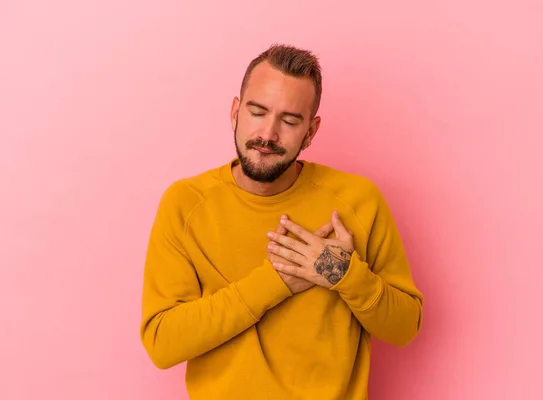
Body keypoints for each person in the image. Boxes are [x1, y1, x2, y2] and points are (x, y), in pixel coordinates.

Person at [140, 44, 424, 399]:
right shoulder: (186, 204)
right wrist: (276, 280)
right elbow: (162, 344)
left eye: (289, 121)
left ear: (310, 131)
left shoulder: (358, 201)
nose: (268, 134)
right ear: (235, 112)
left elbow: (405, 328)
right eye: (257, 112)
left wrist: (343, 274)